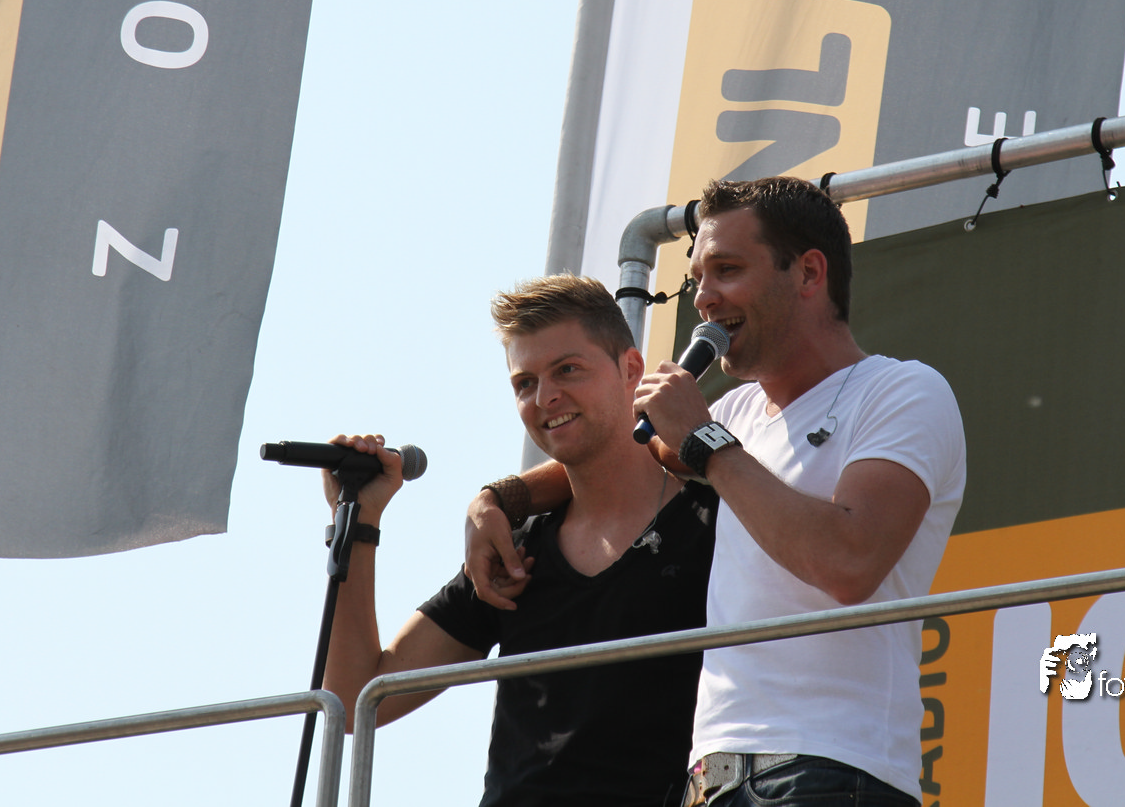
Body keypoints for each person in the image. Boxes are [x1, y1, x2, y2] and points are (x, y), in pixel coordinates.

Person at [467, 176, 965, 806]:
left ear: (809, 273)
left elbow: (848, 563)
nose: (703, 298)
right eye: (698, 277)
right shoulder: (735, 414)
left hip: (832, 769)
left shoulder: (903, 391)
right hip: (710, 784)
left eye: (727, 270)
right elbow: (614, 458)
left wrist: (706, 443)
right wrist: (498, 501)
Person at [320, 275, 716, 807]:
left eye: (567, 369)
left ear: (631, 369)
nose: (545, 397)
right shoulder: (511, 554)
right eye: (524, 383)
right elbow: (355, 698)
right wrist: (357, 521)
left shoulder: (716, 523)